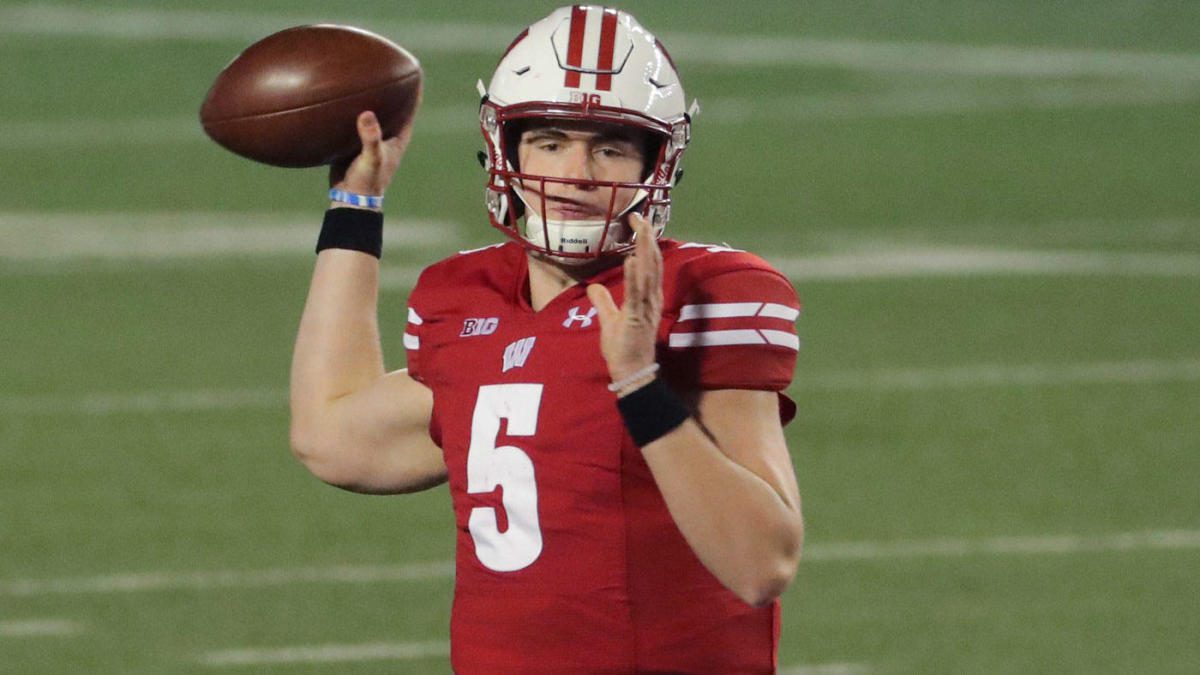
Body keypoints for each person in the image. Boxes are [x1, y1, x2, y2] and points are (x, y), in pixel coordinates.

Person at [289, 5, 803, 673]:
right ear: (506, 148)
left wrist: (640, 386)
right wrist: (355, 204)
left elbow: (761, 563)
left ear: (657, 163)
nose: (577, 172)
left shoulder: (703, 292)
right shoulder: (461, 298)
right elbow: (331, 437)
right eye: (551, 141)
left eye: (610, 147)